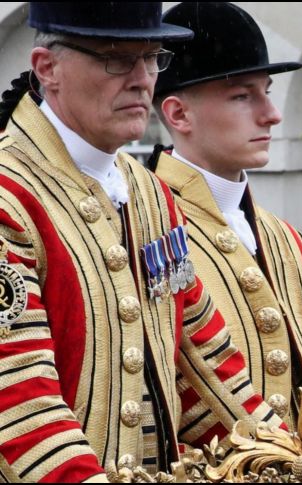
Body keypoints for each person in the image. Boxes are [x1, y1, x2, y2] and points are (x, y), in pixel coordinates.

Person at [0, 3, 278, 481]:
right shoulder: (9, 194)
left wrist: (286, 459)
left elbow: (207, 371)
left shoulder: (150, 194)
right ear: (47, 68)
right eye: (116, 58)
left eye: (152, 58)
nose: (141, 79)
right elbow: (19, 403)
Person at [149, 2, 302, 429]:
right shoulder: (147, 228)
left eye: (265, 90)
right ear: (178, 114)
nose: (272, 113)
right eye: (243, 96)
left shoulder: (287, 238)